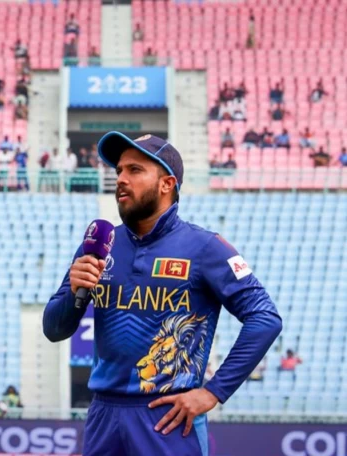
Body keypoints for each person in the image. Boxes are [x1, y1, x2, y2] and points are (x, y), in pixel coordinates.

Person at [43, 132, 282, 455]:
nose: (121, 179)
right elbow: (54, 329)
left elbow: (265, 318)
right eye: (119, 170)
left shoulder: (205, 247)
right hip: (103, 416)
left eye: (135, 170)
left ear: (167, 184)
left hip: (167, 418)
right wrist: (74, 293)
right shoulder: (100, 246)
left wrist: (213, 392)